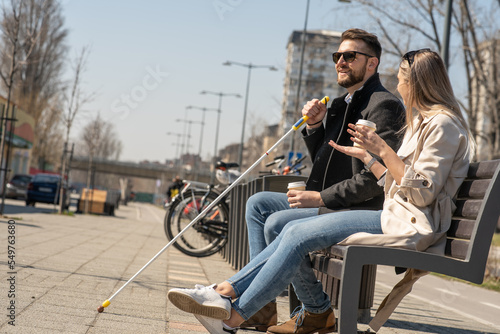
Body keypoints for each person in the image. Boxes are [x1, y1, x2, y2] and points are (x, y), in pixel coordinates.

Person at [167, 48, 473, 334]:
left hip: (411, 225)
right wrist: (369, 158)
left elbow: (423, 193)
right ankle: (228, 300)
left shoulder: (442, 125)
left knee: (297, 233)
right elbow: (402, 184)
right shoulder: (424, 123)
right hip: (395, 215)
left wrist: (383, 149)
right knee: (292, 229)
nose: (399, 87)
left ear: (417, 83)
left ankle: (229, 308)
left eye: (402, 81)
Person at [242, 28, 405, 330]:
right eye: (337, 56)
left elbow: (374, 179)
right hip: (330, 200)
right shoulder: (342, 103)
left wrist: (319, 198)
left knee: (279, 222)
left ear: (372, 64)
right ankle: (262, 308)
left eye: (350, 56)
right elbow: (326, 157)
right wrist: (316, 126)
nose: (341, 62)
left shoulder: (384, 105)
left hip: (361, 207)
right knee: (258, 203)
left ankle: (314, 309)